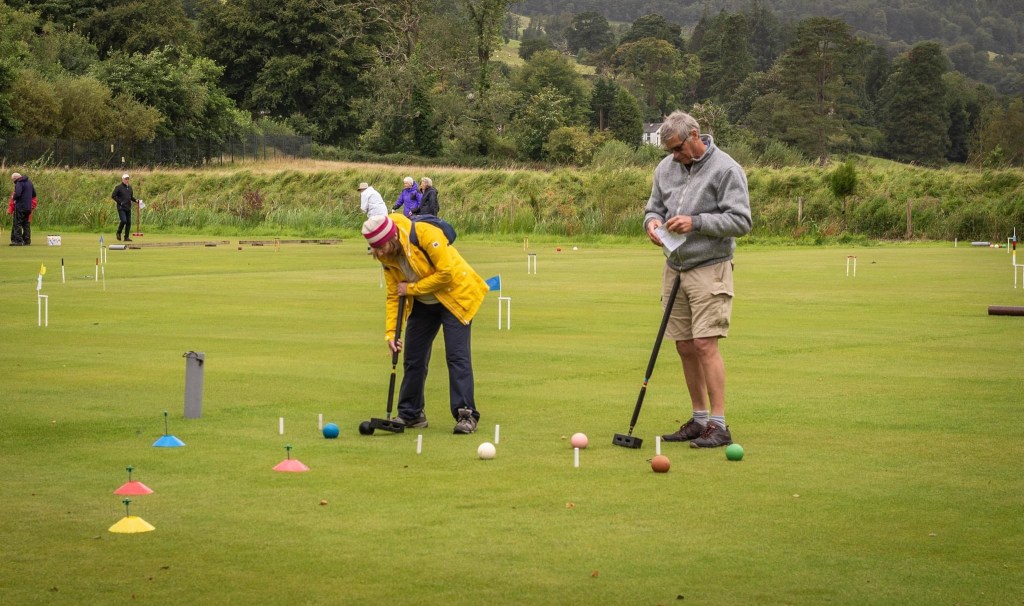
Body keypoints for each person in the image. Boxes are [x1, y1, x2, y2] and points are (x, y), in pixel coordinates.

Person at [644, 110, 752, 449]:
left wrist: (697, 222)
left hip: (710, 266)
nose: (674, 156)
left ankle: (719, 425)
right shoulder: (666, 168)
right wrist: (651, 225)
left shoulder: (727, 170)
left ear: (695, 136)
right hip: (674, 265)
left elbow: (741, 221)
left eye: (677, 148)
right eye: (669, 151)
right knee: (685, 345)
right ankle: (699, 418)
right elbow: (653, 208)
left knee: (706, 343)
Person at [362, 213, 489, 434]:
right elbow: (394, 295)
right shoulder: (386, 257)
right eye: (375, 249)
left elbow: (446, 273)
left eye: (381, 247)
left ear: (390, 236)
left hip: (456, 296)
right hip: (424, 304)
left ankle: (466, 414)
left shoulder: (425, 234)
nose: (379, 253)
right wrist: (391, 333)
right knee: (413, 357)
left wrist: (411, 289)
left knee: (456, 357)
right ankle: (411, 414)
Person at [9, 172, 36, 246]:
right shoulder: (29, 182)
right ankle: (27, 240)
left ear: (15, 179)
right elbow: (34, 194)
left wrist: (13, 197)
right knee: (26, 224)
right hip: (28, 207)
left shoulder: (19, 183)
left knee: (17, 223)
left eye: (13, 180)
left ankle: (18, 241)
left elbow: (18, 193)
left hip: (20, 206)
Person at [111, 173, 136, 242]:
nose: (127, 180)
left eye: (128, 179)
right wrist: (120, 202)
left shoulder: (130, 188)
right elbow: (113, 196)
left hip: (128, 207)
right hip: (121, 207)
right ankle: (118, 233)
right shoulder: (118, 187)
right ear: (122, 179)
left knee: (129, 222)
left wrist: (136, 200)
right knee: (124, 221)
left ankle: (126, 237)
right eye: (125, 179)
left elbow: (131, 197)